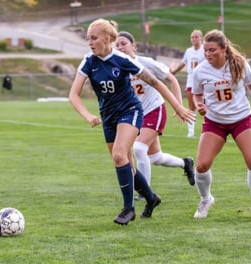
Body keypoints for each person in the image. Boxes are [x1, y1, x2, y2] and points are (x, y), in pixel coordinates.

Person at [69, 18, 195, 225]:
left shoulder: (122, 60)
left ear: (108, 39)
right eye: (88, 38)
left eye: (94, 38)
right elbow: (73, 95)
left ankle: (128, 209)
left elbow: (156, 82)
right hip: (108, 117)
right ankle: (151, 197)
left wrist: (178, 107)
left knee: (120, 155)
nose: (90, 42)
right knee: (125, 164)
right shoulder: (88, 61)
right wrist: (88, 115)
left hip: (130, 111)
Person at [192, 29, 251, 220]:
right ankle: (206, 199)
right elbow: (196, 92)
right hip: (215, 122)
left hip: (241, 119)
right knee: (201, 165)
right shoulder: (200, 70)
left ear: (224, 49)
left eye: (212, 50)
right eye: (206, 50)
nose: (208, 54)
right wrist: (200, 104)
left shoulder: (238, 64)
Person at [115, 31, 195, 199]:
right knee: (155, 157)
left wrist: (178, 107)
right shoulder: (118, 68)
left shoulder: (145, 63)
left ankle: (145, 192)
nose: (120, 47)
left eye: (123, 43)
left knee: (138, 148)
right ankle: (185, 163)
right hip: (135, 114)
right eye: (117, 45)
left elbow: (171, 79)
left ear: (133, 46)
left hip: (154, 110)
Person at [170, 29, 205, 138]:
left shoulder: (204, 50)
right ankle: (191, 132)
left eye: (196, 37)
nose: (194, 39)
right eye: (192, 37)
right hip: (191, 80)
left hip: (203, 80)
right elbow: (183, 63)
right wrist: (173, 71)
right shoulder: (189, 51)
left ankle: (207, 129)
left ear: (201, 38)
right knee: (191, 106)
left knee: (205, 105)